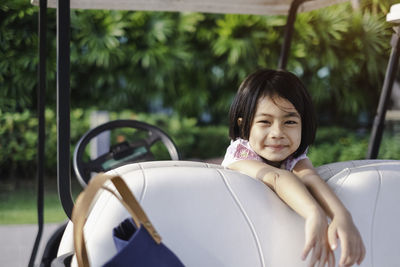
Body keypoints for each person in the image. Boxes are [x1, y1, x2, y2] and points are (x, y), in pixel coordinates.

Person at [222, 69, 365, 267]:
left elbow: (310, 177)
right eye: (264, 121)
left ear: (303, 124)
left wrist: (341, 216)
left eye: (289, 122)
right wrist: (314, 213)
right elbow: (275, 177)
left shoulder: (293, 155)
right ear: (244, 125)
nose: (277, 133)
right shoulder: (239, 155)